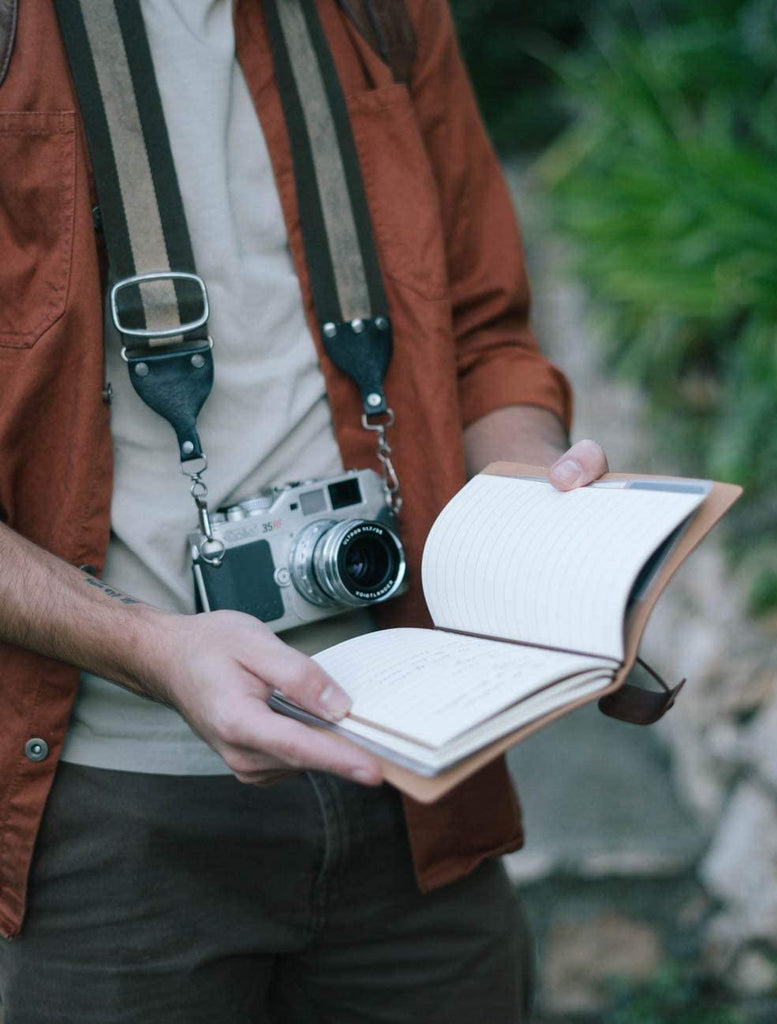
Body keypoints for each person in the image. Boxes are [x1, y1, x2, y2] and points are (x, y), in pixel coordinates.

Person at [0, 1, 607, 1021]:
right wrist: (147, 645)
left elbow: (484, 339)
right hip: (109, 812)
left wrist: (540, 501)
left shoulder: (384, 13)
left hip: (417, 782)